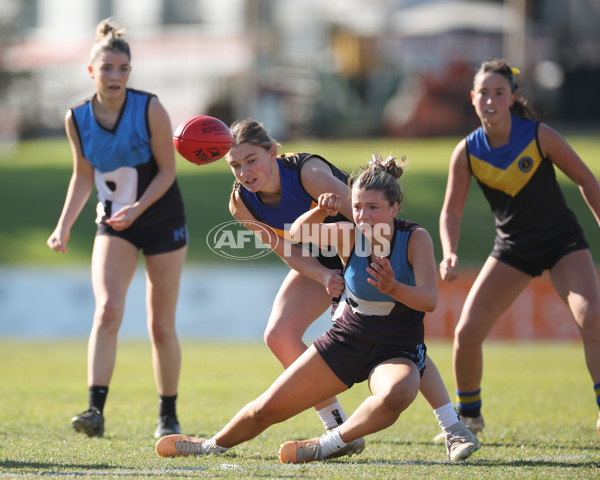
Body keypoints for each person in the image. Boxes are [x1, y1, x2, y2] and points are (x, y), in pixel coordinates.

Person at [156, 155, 479, 462]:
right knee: (265, 410)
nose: (364, 216)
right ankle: (211, 445)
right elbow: (297, 234)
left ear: (395, 208)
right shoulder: (349, 235)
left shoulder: (415, 238)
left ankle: (329, 444)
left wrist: (393, 287)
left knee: (397, 393)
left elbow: (429, 300)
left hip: (395, 349)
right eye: (357, 208)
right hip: (346, 341)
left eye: (374, 208)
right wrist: (319, 212)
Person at [439, 57, 600, 436]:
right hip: (513, 249)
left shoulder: (540, 135)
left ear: (512, 97)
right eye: (484, 94)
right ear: (473, 98)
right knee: (467, 333)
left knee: (592, 317)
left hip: (563, 243)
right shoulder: (466, 152)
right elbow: (450, 212)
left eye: (500, 93)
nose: (491, 100)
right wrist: (449, 251)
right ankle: (470, 419)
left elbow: (585, 179)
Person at [47, 18, 188, 439]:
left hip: (162, 218)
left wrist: (139, 208)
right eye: (106, 68)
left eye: (122, 69)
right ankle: (95, 410)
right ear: (92, 71)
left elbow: (167, 171)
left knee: (160, 324)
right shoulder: (76, 118)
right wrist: (63, 227)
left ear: (130, 72)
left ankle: (168, 413)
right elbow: (82, 176)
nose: (115, 76)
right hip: (114, 223)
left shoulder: (150, 108)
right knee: (107, 310)